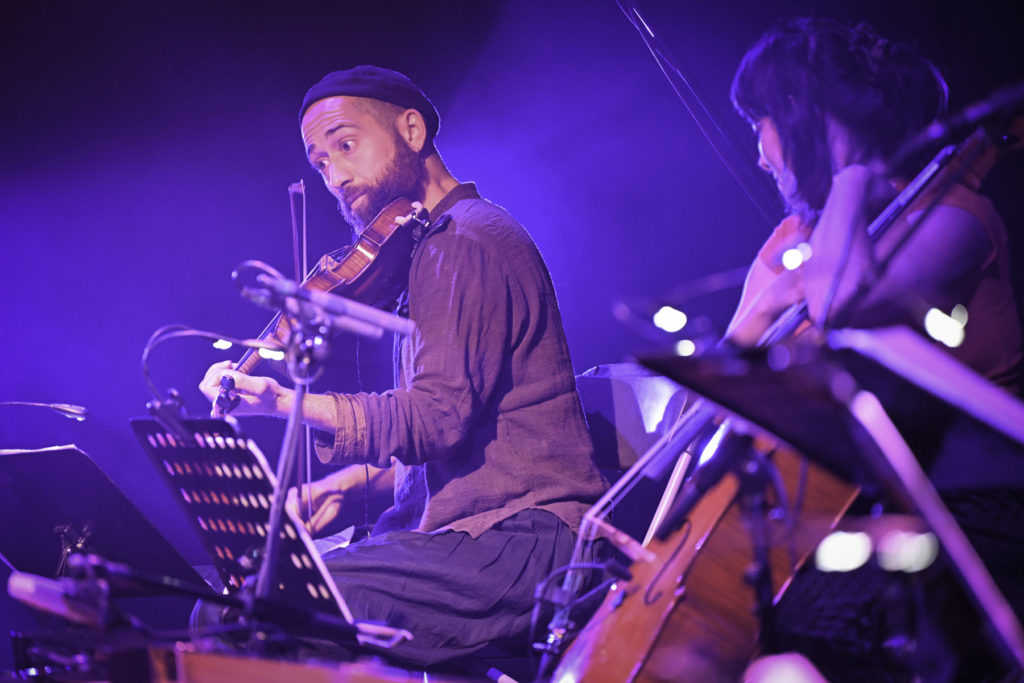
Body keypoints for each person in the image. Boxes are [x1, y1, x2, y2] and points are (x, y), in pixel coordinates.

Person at [198, 65, 607, 673]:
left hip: (523, 542)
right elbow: (460, 447)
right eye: (320, 163)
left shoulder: (462, 242)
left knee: (257, 610)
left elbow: (435, 419)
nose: (335, 175)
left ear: (412, 130)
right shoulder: (431, 249)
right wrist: (346, 484)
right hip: (474, 535)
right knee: (228, 595)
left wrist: (281, 402)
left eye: (345, 144)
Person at [722, 17, 1024, 681]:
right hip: (851, 515)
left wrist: (852, 168)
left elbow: (838, 301)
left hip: (969, 507)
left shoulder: (957, 217)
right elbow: (714, 394)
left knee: (805, 627)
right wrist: (768, 303)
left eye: (762, 122)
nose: (760, 153)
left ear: (804, 116)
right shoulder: (791, 240)